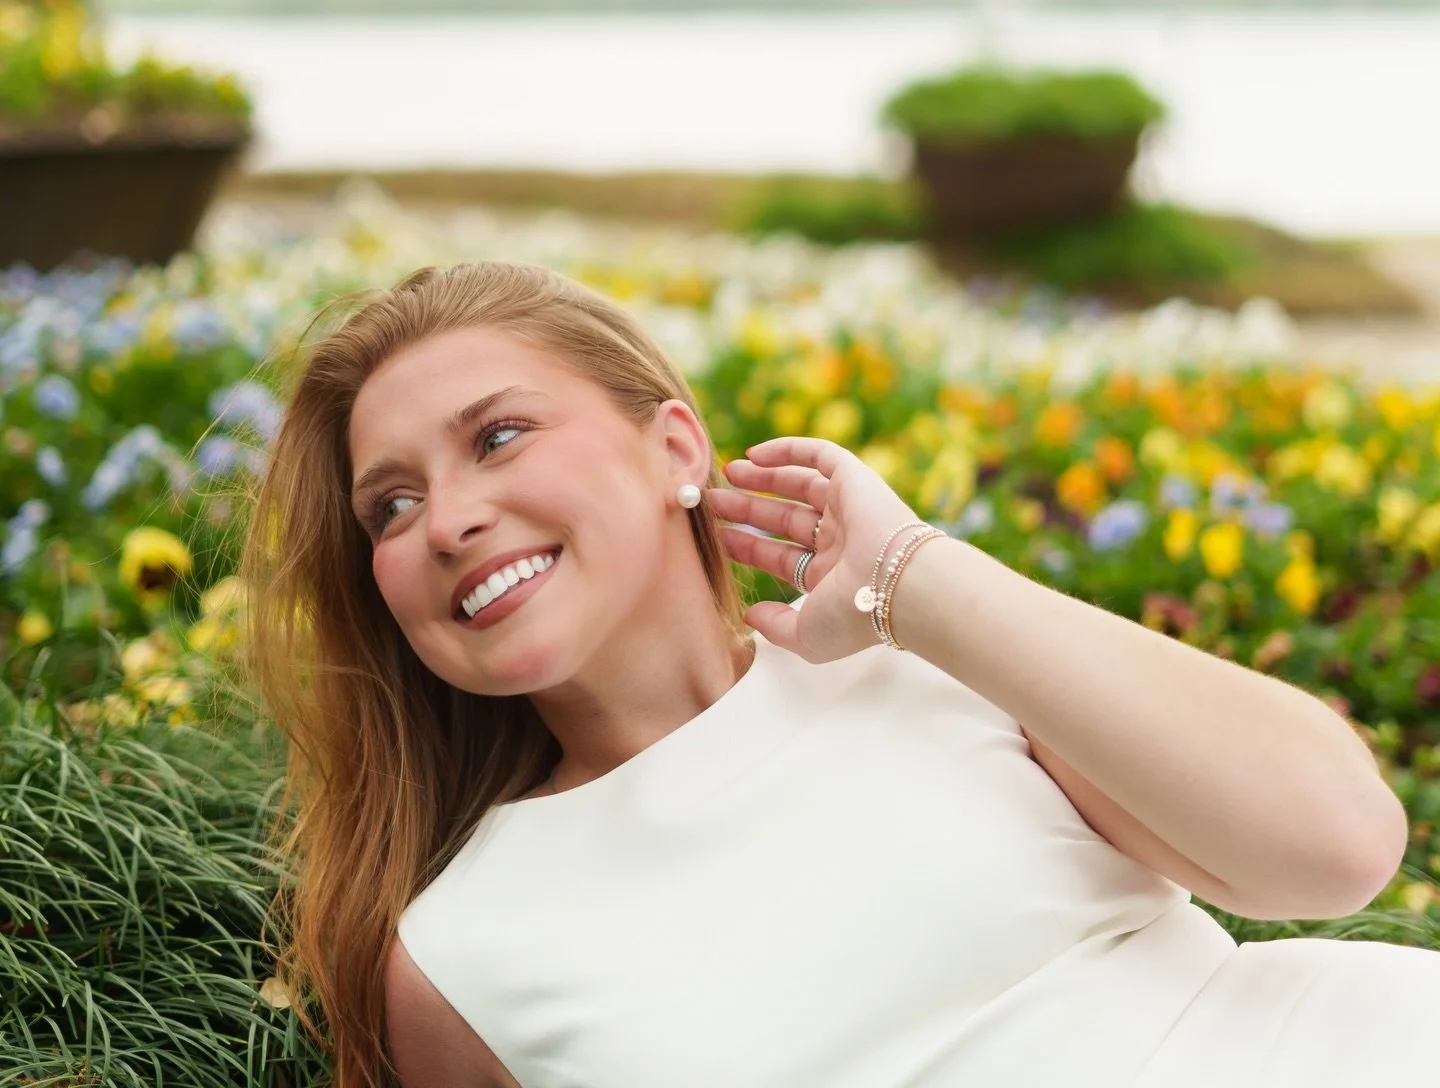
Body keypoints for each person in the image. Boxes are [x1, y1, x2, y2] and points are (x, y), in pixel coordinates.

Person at [241, 258, 1440, 1088]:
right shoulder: (459, 954)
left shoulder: (942, 663)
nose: (446, 520)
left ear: (674, 450)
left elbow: (1337, 846)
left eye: (498, 437)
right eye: (390, 506)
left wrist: (912, 580)